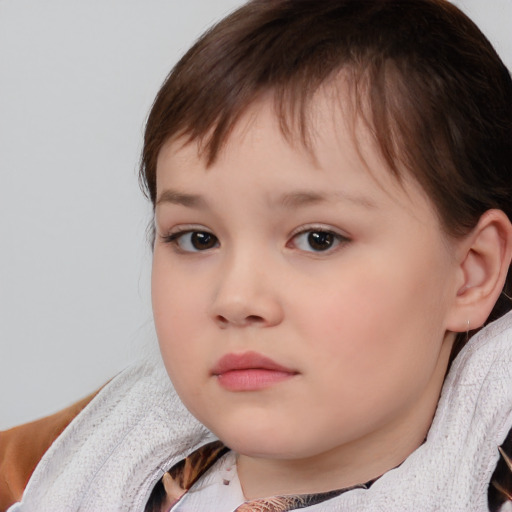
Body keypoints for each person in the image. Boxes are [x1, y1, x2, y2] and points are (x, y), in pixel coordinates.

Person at [2, 0, 512, 510]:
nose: (237, 298)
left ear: (471, 273)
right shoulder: (66, 462)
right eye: (197, 238)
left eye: (318, 239)